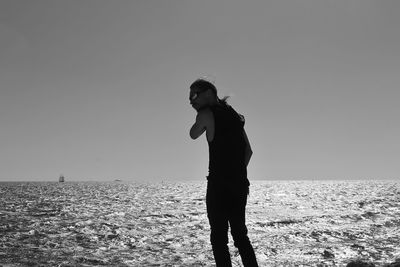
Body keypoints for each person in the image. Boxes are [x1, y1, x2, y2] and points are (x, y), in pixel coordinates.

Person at [189, 78, 259, 267]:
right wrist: (236, 173)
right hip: (239, 185)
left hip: (218, 186)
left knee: (219, 239)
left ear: (209, 93)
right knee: (241, 236)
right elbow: (248, 151)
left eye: (194, 94)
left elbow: (193, 134)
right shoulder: (234, 115)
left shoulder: (205, 114)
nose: (191, 100)